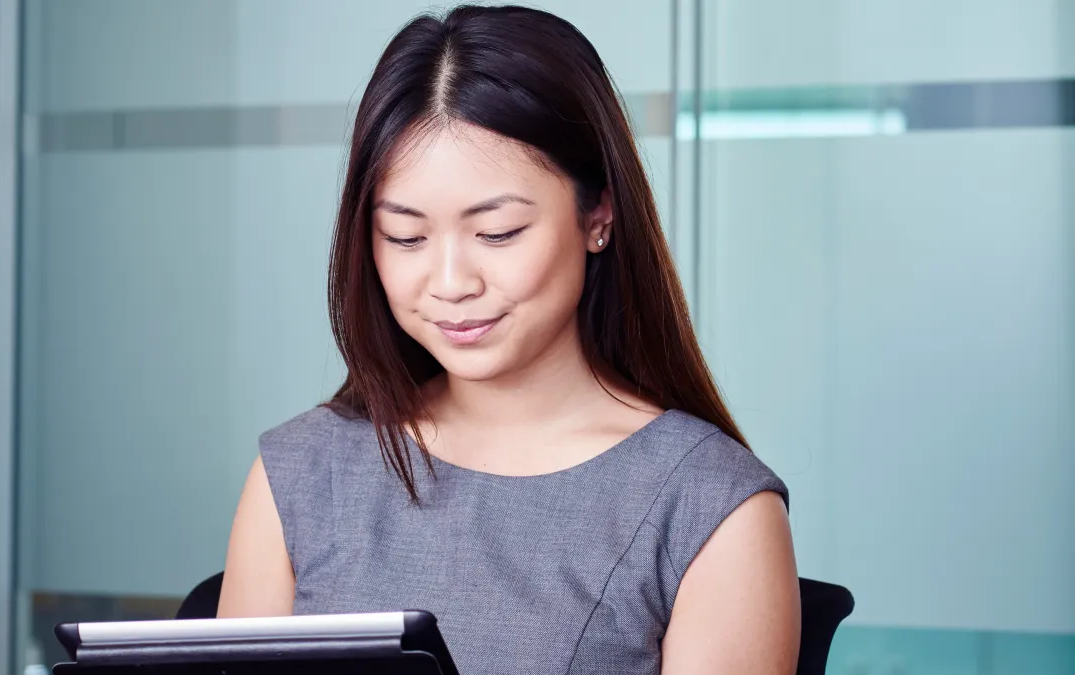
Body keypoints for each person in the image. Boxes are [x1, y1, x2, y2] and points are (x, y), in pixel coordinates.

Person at [218, 5, 799, 674]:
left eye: (497, 232)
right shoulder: (300, 473)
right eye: (405, 237)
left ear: (598, 216)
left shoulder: (708, 506)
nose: (450, 282)